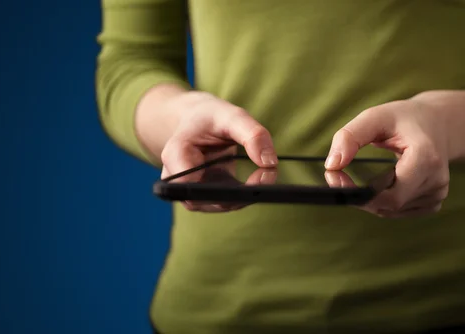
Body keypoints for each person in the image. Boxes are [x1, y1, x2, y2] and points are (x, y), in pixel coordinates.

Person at [96, 1, 465, 333]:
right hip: (220, 301)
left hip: (441, 295)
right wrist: (182, 118)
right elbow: (131, 62)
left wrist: (443, 123)